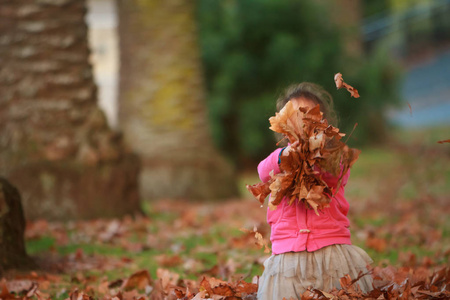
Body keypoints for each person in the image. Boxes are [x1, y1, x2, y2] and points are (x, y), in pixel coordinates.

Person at [256, 82, 373, 300]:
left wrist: (316, 152)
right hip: (288, 255)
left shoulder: (333, 157)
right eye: (294, 116)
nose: (302, 122)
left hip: (330, 249)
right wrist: (285, 156)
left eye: (308, 115)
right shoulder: (280, 158)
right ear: (283, 123)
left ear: (323, 123)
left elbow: (334, 174)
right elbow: (263, 172)